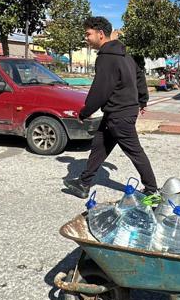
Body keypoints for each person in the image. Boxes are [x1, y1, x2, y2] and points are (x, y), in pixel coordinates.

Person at [62, 16, 158, 199]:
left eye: (88, 34)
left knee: (134, 151)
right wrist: (143, 100)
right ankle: (83, 183)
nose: (86, 38)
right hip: (117, 112)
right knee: (99, 146)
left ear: (100, 34)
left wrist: (85, 111)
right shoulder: (124, 55)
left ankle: (152, 190)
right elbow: (139, 76)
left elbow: (101, 90)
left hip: (119, 114)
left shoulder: (106, 57)